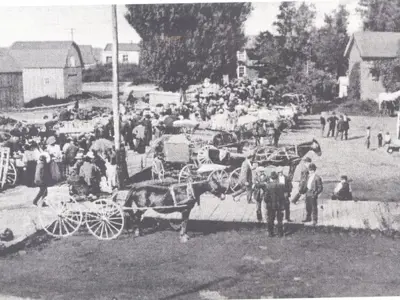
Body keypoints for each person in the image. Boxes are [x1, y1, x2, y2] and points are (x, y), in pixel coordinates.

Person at [264, 171, 286, 237]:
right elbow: (283, 196)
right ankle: (280, 233)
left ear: (271, 178)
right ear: (277, 178)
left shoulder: (268, 185)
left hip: (271, 205)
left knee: (270, 219)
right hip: (279, 204)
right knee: (280, 219)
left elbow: (266, 197)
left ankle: (270, 233)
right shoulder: (281, 185)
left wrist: (267, 202)